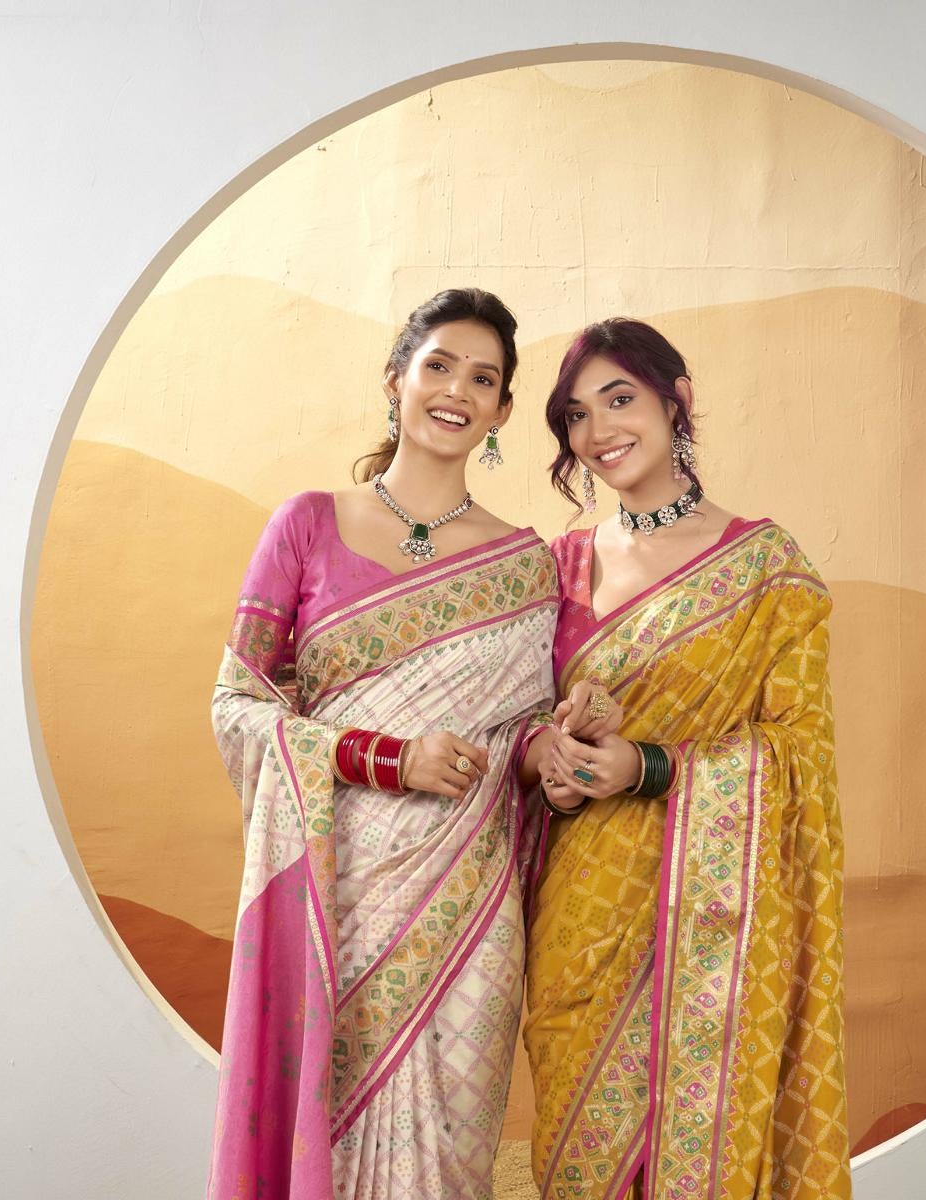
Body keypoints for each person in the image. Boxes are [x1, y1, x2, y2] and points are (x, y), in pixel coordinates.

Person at [207, 288, 612, 1199]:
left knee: (454, 1160)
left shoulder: (523, 563)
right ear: (396, 379)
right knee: (332, 1134)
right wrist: (387, 759)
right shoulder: (306, 525)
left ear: (503, 411)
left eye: (484, 379)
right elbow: (238, 705)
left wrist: (556, 747)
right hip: (341, 895)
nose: (457, 391)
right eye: (439, 366)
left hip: (468, 915)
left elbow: (514, 740)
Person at [524, 318, 852, 1199]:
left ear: (678, 401)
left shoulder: (766, 571)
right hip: (580, 922)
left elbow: (800, 755)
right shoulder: (556, 567)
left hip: (716, 925)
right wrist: (553, 764)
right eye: (576, 415)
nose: (599, 431)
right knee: (580, 1164)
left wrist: (650, 767)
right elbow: (517, 735)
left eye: (619, 399)